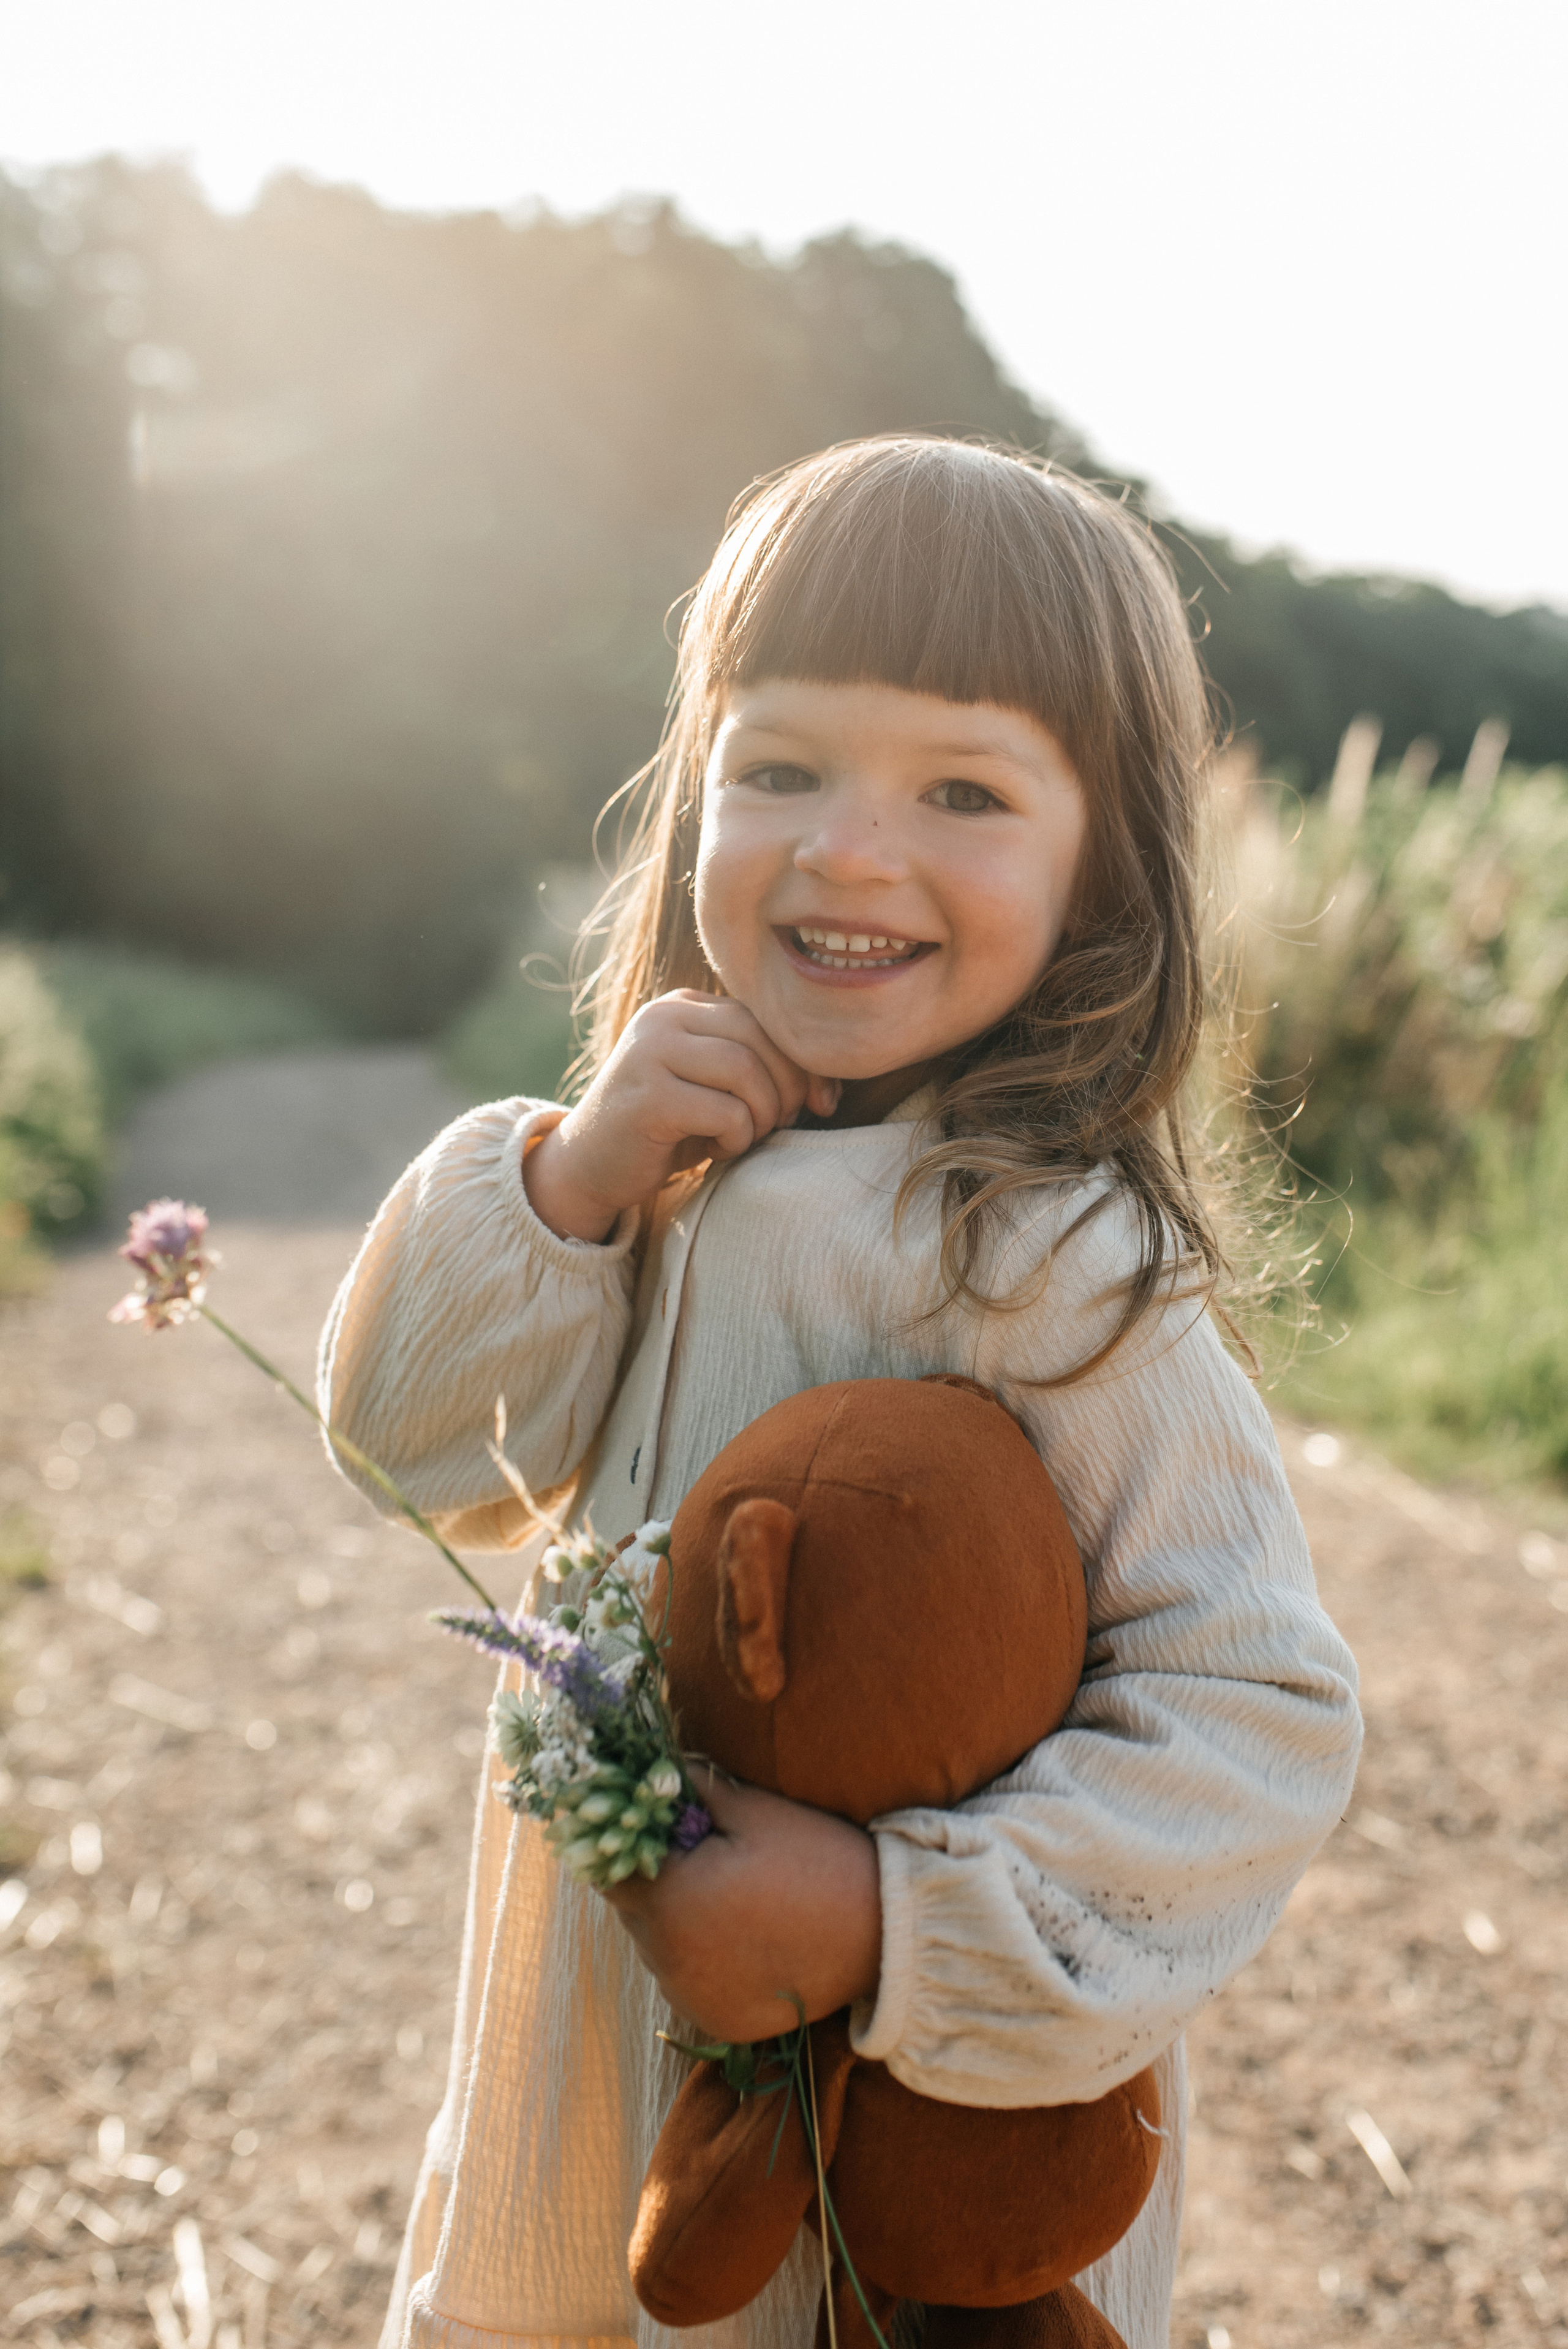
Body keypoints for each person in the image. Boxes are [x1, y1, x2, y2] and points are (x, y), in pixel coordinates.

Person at [318, 436, 1362, 2349]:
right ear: (695, 793)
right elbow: (406, 1443)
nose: (848, 850)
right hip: (605, 2086)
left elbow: (1255, 1713)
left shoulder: (1047, 1252)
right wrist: (568, 1182)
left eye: (962, 789)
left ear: (1104, 867)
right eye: (781, 767)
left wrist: (898, 1910)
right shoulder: (656, 1174)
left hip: (903, 2140)